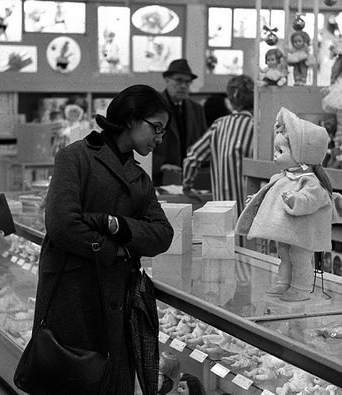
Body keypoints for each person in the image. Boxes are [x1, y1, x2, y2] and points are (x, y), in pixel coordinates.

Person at [32, 84, 174, 394]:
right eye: (156, 128)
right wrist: (118, 250)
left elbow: (163, 234)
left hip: (117, 302)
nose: (159, 138)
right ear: (131, 118)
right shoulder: (75, 157)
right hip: (72, 297)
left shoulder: (139, 177)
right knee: (72, 381)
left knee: (112, 383)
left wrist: (113, 224)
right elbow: (61, 225)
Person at [236, 107, 335, 302]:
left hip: (303, 234)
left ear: (302, 155)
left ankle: (301, 287)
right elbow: (271, 192)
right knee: (284, 253)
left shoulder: (310, 181)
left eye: (280, 151)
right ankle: (284, 281)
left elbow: (311, 200)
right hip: (288, 231)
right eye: (276, 150)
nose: (275, 155)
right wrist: (258, 198)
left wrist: (296, 200)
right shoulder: (282, 177)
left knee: (300, 257)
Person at [182, 75, 254, 215]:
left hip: (222, 212)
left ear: (229, 100)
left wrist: (187, 187)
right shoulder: (258, 128)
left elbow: (192, 158)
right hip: (251, 212)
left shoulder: (219, 125)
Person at [152, 58, 207, 186]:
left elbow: (204, 144)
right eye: (179, 80)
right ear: (167, 80)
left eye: (187, 82)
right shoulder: (154, 106)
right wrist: (161, 165)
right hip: (161, 179)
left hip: (191, 180)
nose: (183, 86)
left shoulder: (197, 109)